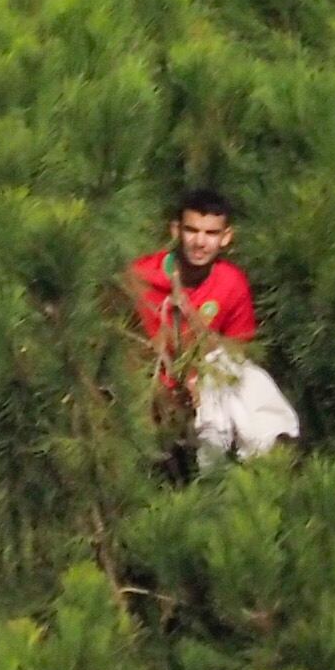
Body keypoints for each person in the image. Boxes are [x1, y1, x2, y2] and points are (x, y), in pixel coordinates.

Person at [129, 186, 298, 464]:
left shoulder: (231, 282)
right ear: (175, 231)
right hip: (150, 388)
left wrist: (194, 325)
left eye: (211, 234)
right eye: (192, 231)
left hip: (205, 388)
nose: (200, 242)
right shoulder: (141, 275)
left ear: (226, 237)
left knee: (247, 378)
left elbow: (238, 352)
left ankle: (271, 451)